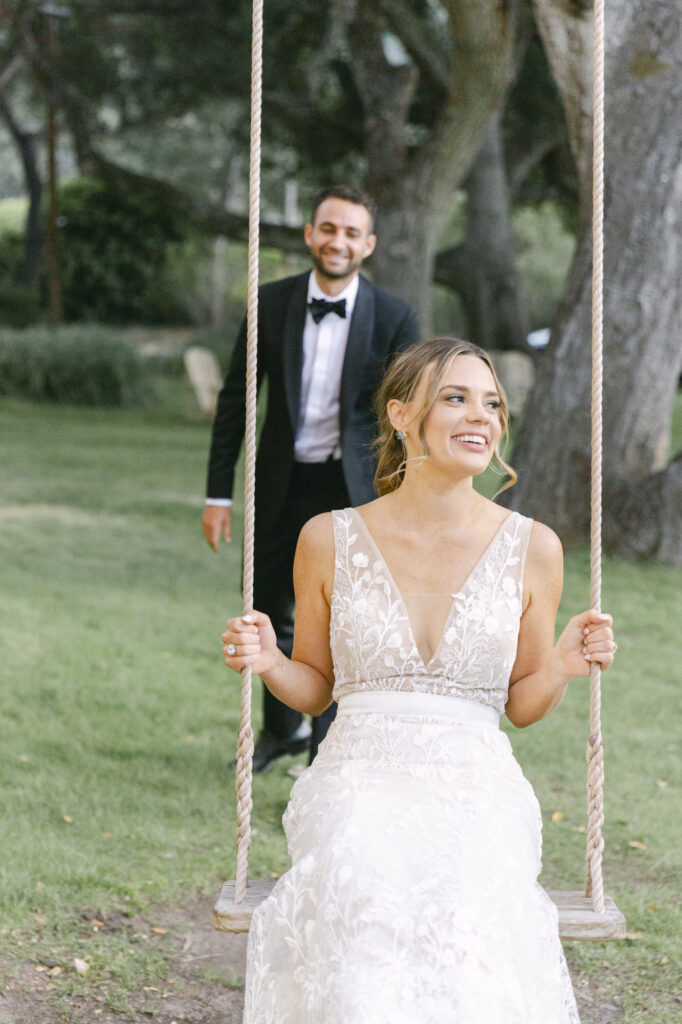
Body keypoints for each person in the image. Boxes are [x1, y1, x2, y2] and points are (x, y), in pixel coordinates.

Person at [221, 337, 617, 1023]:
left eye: (491, 403)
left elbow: (522, 705)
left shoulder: (534, 548)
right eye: (455, 398)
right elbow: (315, 686)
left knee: (471, 903)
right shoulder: (328, 538)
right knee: (365, 892)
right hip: (359, 776)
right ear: (403, 416)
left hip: (476, 783)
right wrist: (268, 662)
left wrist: (561, 664)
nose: (480, 417)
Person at [203, 184, 419, 771]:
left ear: (367, 244)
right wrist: (218, 493)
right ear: (309, 234)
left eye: (351, 232)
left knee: (341, 618)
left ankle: (326, 748)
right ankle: (281, 732)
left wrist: (405, 503)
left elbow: (408, 421)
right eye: (328, 229)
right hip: (279, 481)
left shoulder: (396, 318)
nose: (338, 241)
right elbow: (235, 403)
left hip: (351, 492)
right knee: (265, 606)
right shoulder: (269, 303)